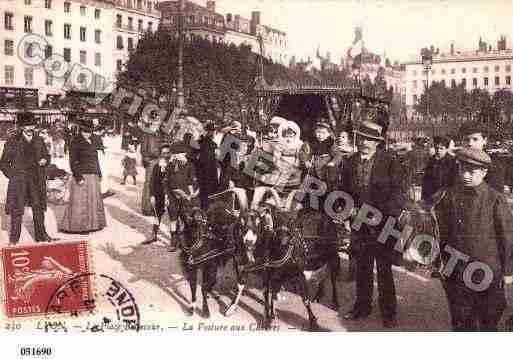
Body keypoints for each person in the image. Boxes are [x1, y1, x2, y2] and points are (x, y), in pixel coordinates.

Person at [433, 147, 513, 331]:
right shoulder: (449, 195)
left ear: (484, 172)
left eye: (472, 171)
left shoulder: (495, 200)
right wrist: (441, 261)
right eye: (462, 169)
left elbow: (507, 238)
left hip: (487, 271)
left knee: (488, 320)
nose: (466, 175)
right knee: (461, 319)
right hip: (456, 269)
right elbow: (441, 230)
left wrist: (508, 272)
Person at [341, 121, 407, 328]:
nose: (364, 143)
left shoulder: (390, 162)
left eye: (369, 139)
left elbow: (398, 193)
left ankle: (389, 313)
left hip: (384, 224)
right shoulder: (350, 162)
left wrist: (384, 216)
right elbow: (343, 191)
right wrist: (347, 209)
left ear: (377, 142)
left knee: (385, 270)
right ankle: (362, 307)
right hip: (359, 224)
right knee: (363, 267)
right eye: (361, 138)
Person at [0, 112, 57, 244]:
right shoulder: (12, 141)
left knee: (38, 209)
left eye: (32, 125)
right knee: (17, 210)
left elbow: (47, 156)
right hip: (19, 181)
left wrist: (45, 160)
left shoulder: (39, 140)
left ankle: (41, 236)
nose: (30, 128)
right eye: (27, 125)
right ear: (21, 127)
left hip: (36, 180)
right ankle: (14, 239)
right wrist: (13, 175)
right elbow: (3, 163)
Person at [59, 119, 107, 234]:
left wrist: (99, 172)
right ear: (81, 131)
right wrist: (78, 176)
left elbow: (95, 158)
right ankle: (79, 227)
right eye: (85, 131)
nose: (87, 134)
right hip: (82, 174)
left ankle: (94, 224)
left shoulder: (93, 141)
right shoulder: (75, 141)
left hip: (93, 174)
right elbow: (73, 161)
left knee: (93, 200)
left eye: (89, 131)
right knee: (80, 202)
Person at [165, 142, 198, 252]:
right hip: (172, 196)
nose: (182, 155)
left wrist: (190, 195)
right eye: (179, 154)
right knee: (173, 219)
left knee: (186, 218)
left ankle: (185, 242)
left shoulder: (190, 166)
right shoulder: (170, 165)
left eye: (182, 154)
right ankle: (173, 242)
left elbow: (191, 181)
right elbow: (166, 182)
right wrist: (166, 196)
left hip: (185, 196)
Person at [459, 122, 505, 192]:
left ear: (484, 141)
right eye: (466, 139)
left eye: (475, 139)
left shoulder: (494, 165)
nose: (470, 143)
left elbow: (495, 196)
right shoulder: (454, 162)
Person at [141, 144, 172, 246]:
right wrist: (152, 195)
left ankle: (175, 239)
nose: (166, 155)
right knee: (157, 214)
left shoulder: (173, 165)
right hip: (159, 193)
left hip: (172, 194)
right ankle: (154, 234)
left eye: (168, 153)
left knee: (174, 216)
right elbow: (152, 182)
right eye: (164, 153)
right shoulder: (157, 166)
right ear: (160, 154)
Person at [422, 136, 458, 205]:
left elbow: (452, 183)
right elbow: (426, 180)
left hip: (444, 197)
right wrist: (424, 198)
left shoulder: (451, 162)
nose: (438, 150)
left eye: (441, 148)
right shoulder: (432, 160)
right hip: (430, 195)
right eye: (436, 148)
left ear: (447, 149)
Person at [195, 121, 219, 211]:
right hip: (208, 174)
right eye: (212, 131)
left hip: (203, 173)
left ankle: (204, 212)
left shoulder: (200, 142)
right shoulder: (212, 145)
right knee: (209, 195)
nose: (213, 133)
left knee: (204, 196)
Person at [140, 121, 162, 216]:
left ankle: (154, 207)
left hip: (158, 161)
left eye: (158, 123)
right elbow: (143, 150)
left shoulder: (158, 134)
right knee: (148, 184)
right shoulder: (146, 135)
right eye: (155, 123)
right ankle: (146, 208)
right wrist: (147, 160)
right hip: (151, 161)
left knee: (156, 184)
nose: (157, 125)